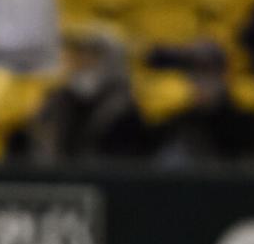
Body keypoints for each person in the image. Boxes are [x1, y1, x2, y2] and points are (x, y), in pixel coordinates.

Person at [9, 26, 150, 162]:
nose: (80, 61)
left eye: (91, 54)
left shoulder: (125, 108)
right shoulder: (57, 100)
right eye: (78, 54)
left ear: (111, 60)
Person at [147, 41, 254, 167]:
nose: (201, 80)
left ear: (224, 75)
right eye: (194, 71)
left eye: (207, 70)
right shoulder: (177, 122)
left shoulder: (248, 123)